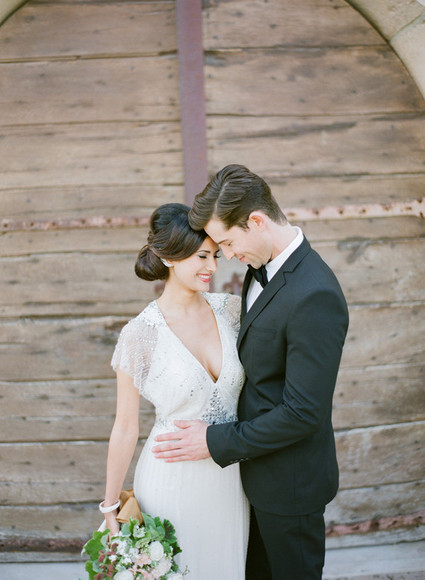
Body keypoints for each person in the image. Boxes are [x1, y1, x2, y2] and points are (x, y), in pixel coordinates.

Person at [153, 165, 349, 580]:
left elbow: (303, 412)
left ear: (257, 221)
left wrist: (213, 440)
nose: (225, 255)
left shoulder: (315, 293)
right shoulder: (260, 270)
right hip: (251, 480)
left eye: (227, 242)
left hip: (289, 487)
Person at [100, 203, 249, 578]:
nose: (212, 267)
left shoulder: (232, 312)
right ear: (168, 256)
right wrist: (110, 505)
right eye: (201, 256)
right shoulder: (139, 335)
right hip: (171, 481)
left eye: (215, 255)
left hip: (231, 478)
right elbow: (125, 427)